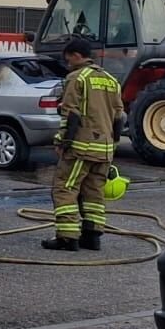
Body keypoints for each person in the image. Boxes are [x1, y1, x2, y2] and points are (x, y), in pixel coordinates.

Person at [43, 37, 123, 253]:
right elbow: (120, 117)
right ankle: (92, 237)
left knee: (65, 188)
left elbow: (71, 114)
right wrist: (112, 144)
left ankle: (67, 237)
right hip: (105, 149)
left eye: (68, 60)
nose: (68, 64)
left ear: (77, 56)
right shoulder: (111, 80)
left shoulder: (77, 78)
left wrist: (62, 142)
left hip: (81, 146)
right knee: (94, 192)